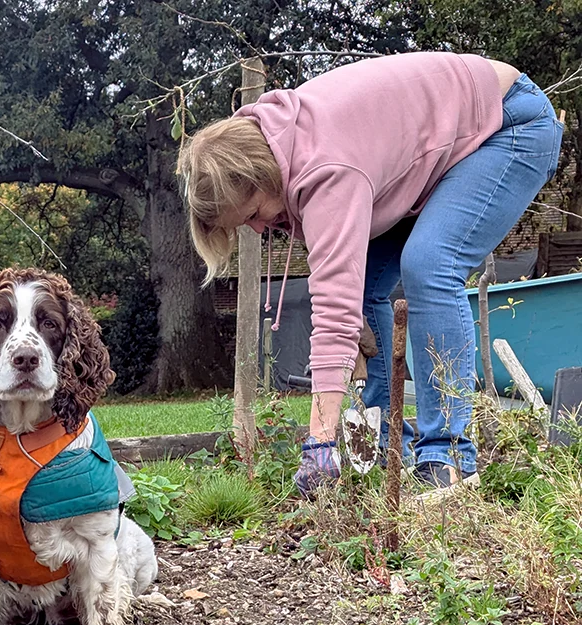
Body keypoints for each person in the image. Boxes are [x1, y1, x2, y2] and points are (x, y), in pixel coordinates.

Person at [177, 52, 562, 499]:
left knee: (431, 262)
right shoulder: (281, 145)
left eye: (254, 214)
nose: (260, 229)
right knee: (361, 288)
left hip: (509, 122)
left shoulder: (324, 168)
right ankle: (385, 447)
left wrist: (319, 441)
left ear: (260, 174)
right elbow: (338, 282)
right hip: (443, 152)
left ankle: (448, 456)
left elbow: (334, 316)